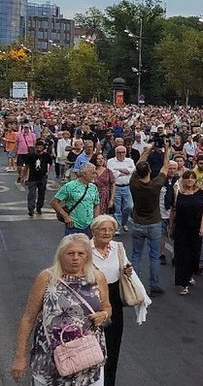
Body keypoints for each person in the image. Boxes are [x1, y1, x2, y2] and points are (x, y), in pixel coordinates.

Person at [11, 233, 110, 385]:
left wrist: (103, 315)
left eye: (81, 253)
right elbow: (28, 317)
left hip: (87, 359)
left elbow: (107, 307)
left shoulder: (97, 277)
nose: (75, 257)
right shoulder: (47, 277)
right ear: (60, 255)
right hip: (50, 359)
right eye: (70, 253)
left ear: (87, 256)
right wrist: (20, 357)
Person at [90, 215, 135, 386]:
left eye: (110, 229)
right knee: (90, 346)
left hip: (114, 299)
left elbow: (125, 265)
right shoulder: (85, 249)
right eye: (103, 229)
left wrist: (128, 270)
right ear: (93, 231)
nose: (107, 233)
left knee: (112, 345)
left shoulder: (118, 247)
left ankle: (108, 382)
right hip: (91, 300)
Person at [129, 155, 168, 296]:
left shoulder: (134, 183)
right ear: (150, 171)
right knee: (154, 256)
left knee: (136, 256)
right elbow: (165, 168)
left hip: (139, 223)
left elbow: (138, 165)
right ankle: (154, 284)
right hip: (154, 223)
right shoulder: (155, 185)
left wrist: (148, 150)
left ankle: (134, 285)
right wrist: (167, 149)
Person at [169, 170, 203, 296]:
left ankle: (190, 274)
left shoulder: (200, 193)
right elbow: (173, 210)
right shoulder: (178, 193)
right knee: (182, 256)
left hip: (196, 229)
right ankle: (183, 283)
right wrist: (171, 226)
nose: (190, 180)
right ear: (183, 180)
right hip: (181, 228)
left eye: (192, 178)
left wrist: (202, 227)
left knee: (195, 255)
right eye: (187, 178)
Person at [51, 163, 101, 236]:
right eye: (93, 173)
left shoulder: (93, 187)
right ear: (84, 174)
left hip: (89, 226)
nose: (95, 175)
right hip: (73, 225)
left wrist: (95, 221)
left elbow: (97, 204)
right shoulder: (70, 186)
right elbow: (54, 203)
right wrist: (65, 216)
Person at [107, 145, 136, 232]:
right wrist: (126, 171)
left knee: (129, 207)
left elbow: (133, 170)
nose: (121, 154)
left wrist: (118, 170)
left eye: (123, 152)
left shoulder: (130, 160)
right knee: (117, 208)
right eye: (119, 152)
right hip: (116, 187)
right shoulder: (110, 161)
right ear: (116, 153)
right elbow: (111, 173)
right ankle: (118, 227)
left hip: (127, 186)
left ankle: (124, 222)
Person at [22, 140, 53, 217]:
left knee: (41, 194)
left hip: (42, 177)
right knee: (31, 194)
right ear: (35, 147)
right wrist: (22, 176)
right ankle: (31, 209)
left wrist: (47, 172)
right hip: (32, 178)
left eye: (41, 146)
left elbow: (50, 164)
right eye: (37, 146)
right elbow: (26, 166)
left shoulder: (46, 155)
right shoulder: (30, 155)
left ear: (43, 148)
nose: (39, 148)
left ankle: (39, 207)